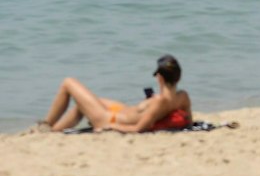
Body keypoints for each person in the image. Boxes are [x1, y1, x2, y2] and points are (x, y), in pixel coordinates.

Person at [31, 55, 192, 134]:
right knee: (86, 103)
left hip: (111, 119)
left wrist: (111, 126)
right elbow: (188, 121)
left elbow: (138, 129)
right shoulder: (182, 96)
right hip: (122, 111)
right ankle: (54, 131)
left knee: (68, 82)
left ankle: (46, 125)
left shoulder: (159, 102)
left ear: (160, 78)